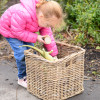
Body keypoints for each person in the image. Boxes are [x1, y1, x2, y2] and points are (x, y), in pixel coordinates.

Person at [0, 0, 63, 88]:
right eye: (48, 24)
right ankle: (22, 78)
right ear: (41, 16)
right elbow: (17, 32)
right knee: (22, 53)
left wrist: (54, 55)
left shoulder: (43, 19)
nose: (47, 26)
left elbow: (48, 37)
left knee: (31, 52)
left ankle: (31, 73)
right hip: (10, 30)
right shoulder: (22, 13)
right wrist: (36, 37)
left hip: (24, 30)